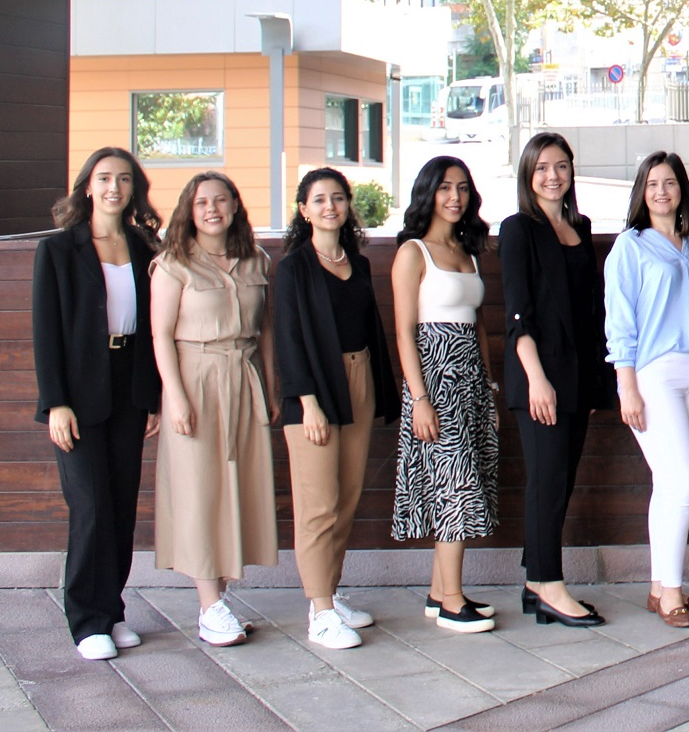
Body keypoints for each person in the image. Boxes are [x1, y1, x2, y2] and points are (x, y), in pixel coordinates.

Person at [32, 149, 164, 661]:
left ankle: (111, 610)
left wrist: (152, 396)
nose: (114, 187)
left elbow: (153, 327)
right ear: (88, 185)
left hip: (130, 383)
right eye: (105, 178)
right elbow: (46, 332)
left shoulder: (144, 246)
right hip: (79, 392)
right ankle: (87, 621)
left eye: (124, 179)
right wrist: (55, 403)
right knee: (89, 505)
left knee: (121, 505)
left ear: (134, 189)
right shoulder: (59, 249)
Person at [274, 167, 400, 650]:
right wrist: (307, 402)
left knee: (345, 498)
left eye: (338, 198)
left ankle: (328, 592)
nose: (330, 206)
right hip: (315, 391)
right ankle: (320, 613)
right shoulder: (293, 268)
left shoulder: (359, 263)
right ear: (303, 210)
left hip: (359, 378)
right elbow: (288, 339)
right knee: (318, 506)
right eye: (319, 199)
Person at [151, 171, 277, 649]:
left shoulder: (256, 259)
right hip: (196, 378)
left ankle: (219, 600)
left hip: (244, 376)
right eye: (202, 202)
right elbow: (161, 334)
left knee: (236, 487)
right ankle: (208, 606)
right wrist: (176, 397)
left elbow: (265, 329)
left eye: (220, 200)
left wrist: (271, 387)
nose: (212, 209)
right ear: (189, 209)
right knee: (199, 489)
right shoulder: (173, 264)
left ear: (234, 206)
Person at [501, 132, 611, 628]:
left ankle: (534, 580)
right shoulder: (518, 229)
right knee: (546, 480)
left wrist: (594, 380)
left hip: (577, 375)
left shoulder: (579, 226)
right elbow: (517, 315)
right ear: (528, 173)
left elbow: (589, 310)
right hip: (538, 377)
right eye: (542, 167)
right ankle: (549, 585)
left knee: (560, 480)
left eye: (561, 166)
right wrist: (537, 380)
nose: (553, 175)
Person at [606, 152, 689, 628]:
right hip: (655, 374)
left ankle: (660, 587)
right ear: (642, 191)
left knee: (670, 483)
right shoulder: (630, 246)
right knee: (682, 481)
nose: (661, 191)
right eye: (652, 183)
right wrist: (626, 387)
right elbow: (619, 320)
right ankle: (671, 590)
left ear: (681, 191)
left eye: (670, 182)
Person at [390, 156, 499, 633]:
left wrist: (489, 390)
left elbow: (478, 327)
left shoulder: (468, 250)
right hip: (434, 383)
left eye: (462, 188)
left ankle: (440, 592)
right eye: (445, 188)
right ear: (428, 193)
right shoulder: (413, 252)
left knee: (467, 479)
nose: (455, 197)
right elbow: (404, 332)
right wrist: (419, 399)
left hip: (471, 381)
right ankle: (453, 602)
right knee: (455, 485)